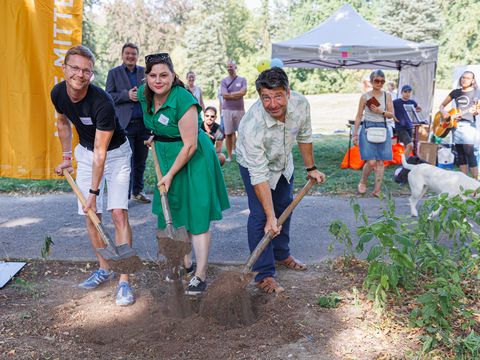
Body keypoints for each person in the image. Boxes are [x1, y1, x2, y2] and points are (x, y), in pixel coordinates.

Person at [138, 53, 230, 295]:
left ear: (173, 75)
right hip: (167, 153)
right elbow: (148, 115)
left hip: (194, 156)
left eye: (164, 75)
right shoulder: (143, 94)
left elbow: (189, 145)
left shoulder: (184, 99)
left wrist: (169, 176)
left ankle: (200, 274)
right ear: (146, 77)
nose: (158, 80)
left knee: (197, 214)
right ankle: (186, 265)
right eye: (153, 75)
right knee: (175, 210)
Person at [51, 45, 135, 306]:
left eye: (86, 70)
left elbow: (103, 152)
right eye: (74, 68)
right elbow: (63, 122)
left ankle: (124, 281)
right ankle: (104, 268)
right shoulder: (58, 93)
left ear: (91, 74)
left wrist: (94, 193)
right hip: (86, 154)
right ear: (64, 68)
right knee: (90, 216)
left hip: (116, 155)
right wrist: (67, 158)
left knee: (118, 212)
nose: (80, 74)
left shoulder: (102, 102)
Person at [236, 67, 326, 294]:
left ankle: (281, 253)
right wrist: (269, 217)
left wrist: (311, 167)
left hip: (283, 163)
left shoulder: (301, 104)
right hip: (254, 166)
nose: (273, 103)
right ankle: (263, 273)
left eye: (278, 95)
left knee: (285, 206)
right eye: (266, 97)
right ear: (259, 97)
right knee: (261, 217)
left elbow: (305, 136)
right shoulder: (251, 126)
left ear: (288, 92)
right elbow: (258, 175)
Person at [106, 42, 151, 204]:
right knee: (126, 162)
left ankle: (137, 191)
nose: (131, 56)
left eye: (133, 54)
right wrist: (127, 95)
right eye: (128, 53)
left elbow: (152, 92)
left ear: (137, 56)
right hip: (125, 124)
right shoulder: (114, 73)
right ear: (123, 55)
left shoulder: (144, 72)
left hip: (144, 124)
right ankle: (122, 197)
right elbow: (108, 96)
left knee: (140, 161)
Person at [353, 69, 394, 197]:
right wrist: (355, 133)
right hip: (367, 128)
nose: (379, 83)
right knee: (371, 162)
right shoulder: (365, 96)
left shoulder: (387, 95)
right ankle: (363, 182)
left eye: (382, 81)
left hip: (382, 128)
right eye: (377, 80)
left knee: (381, 162)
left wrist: (380, 111)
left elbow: (391, 115)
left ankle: (377, 190)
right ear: (371, 81)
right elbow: (359, 116)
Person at [439, 71, 480, 178]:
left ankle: (475, 182)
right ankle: (464, 181)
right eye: (463, 77)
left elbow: (477, 110)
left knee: (469, 151)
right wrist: (444, 113)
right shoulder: (455, 92)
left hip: (468, 125)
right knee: (460, 153)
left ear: (472, 81)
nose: (464, 79)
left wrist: (475, 111)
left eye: (467, 78)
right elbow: (442, 105)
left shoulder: (477, 92)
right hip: (455, 125)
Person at [220, 60, 247, 162]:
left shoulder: (242, 79)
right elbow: (224, 94)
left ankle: (242, 154)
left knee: (242, 132)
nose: (229, 68)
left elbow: (244, 92)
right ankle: (230, 156)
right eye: (227, 67)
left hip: (240, 109)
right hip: (227, 110)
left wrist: (230, 95)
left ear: (235, 67)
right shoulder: (224, 81)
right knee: (228, 133)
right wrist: (237, 94)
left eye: (231, 66)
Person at [393, 84, 422, 157]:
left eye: (409, 92)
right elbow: (389, 109)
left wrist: (416, 110)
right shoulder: (396, 102)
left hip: (409, 126)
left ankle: (406, 162)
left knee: (408, 146)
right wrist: (393, 116)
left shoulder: (412, 102)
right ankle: (404, 163)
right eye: (405, 92)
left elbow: (419, 108)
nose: (407, 94)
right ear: (401, 93)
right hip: (400, 127)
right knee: (410, 145)